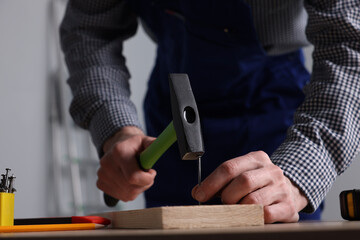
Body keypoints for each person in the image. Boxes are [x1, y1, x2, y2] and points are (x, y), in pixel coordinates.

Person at [60, 0, 360, 223]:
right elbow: (90, 29)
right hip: (169, 111)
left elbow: (350, 47)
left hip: (275, 113)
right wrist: (116, 130)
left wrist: (299, 174)